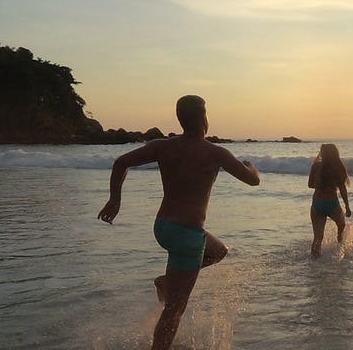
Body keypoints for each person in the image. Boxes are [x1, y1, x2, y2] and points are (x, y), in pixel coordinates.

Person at [98, 95, 260, 350]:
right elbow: (253, 181)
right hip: (187, 234)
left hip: (163, 227)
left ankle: (166, 282)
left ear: (180, 119)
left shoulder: (163, 146)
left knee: (218, 251)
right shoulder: (215, 152)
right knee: (175, 309)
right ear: (204, 118)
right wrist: (252, 167)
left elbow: (121, 162)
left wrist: (114, 200)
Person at [307, 143, 351, 256]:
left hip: (317, 204)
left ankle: (314, 263)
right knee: (341, 225)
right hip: (332, 204)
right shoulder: (338, 167)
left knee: (318, 238)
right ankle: (339, 244)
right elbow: (342, 189)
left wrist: (320, 184)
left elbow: (310, 184)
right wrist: (347, 206)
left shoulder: (315, 166)